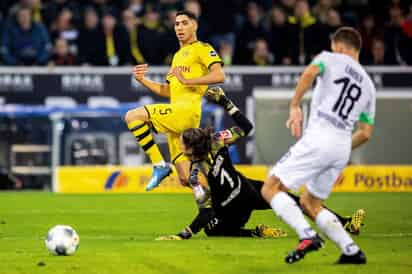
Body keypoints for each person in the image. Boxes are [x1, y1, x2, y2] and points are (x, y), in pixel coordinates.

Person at [157, 87, 366, 240]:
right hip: (247, 190)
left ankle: (255, 233)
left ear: (193, 149)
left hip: (232, 207)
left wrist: (184, 234)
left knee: (213, 228)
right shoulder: (217, 140)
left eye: (182, 144)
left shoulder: (195, 175)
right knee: (298, 202)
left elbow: (206, 210)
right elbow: (246, 127)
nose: (179, 146)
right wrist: (225, 102)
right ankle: (346, 224)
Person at [261, 26, 375, 264]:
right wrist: (339, 150)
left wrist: (294, 105)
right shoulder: (368, 85)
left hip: (320, 137)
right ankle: (351, 250)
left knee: (270, 187)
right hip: (342, 146)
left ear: (340, 47)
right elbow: (365, 133)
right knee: (310, 203)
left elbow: (309, 73)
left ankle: (308, 236)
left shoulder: (330, 58)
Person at [124, 10, 225, 191]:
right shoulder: (177, 56)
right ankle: (226, 200)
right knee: (187, 179)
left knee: (133, 116)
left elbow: (219, 75)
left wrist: (188, 81)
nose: (179, 27)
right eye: (177, 24)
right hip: (177, 115)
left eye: (185, 23)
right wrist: (143, 80)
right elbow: (169, 91)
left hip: (186, 112)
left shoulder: (202, 48)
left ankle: (159, 164)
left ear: (195, 25)